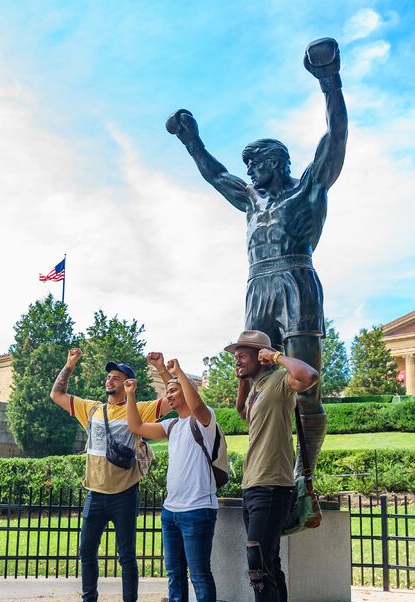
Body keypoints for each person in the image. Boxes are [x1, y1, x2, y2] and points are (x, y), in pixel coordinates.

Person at [166, 38, 347, 501]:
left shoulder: (307, 188)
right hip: (257, 285)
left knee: (306, 383)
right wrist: (192, 141)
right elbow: (214, 174)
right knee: (247, 384)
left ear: (278, 161)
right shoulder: (251, 201)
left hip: (296, 280)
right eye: (247, 163)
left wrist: (329, 82)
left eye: (257, 162)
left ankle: (307, 473)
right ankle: (264, 465)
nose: (249, 169)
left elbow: (335, 139)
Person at [50, 348, 169, 602]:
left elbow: (173, 401)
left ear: (128, 382)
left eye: (117, 378)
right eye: (109, 377)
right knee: (86, 551)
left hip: (125, 493)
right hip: (95, 492)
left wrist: (161, 370)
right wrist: (69, 364)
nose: (110, 381)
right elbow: (57, 393)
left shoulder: (139, 409)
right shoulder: (91, 408)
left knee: (126, 555)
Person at [224, 330, 318, 602]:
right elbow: (242, 413)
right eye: (235, 353)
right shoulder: (260, 388)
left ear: (260, 353)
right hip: (255, 487)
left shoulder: (279, 380)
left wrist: (275, 357)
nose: (236, 357)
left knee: (260, 575)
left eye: (243, 353)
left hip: (271, 488)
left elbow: (308, 376)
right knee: (271, 573)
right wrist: (243, 381)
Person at [124, 358, 219, 602]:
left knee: (199, 574)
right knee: (175, 573)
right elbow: (135, 425)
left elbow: (197, 403)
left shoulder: (204, 421)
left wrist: (175, 373)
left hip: (198, 509)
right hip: (171, 511)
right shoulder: (172, 425)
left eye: (175, 391)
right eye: (168, 391)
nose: (169, 395)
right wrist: (130, 394)